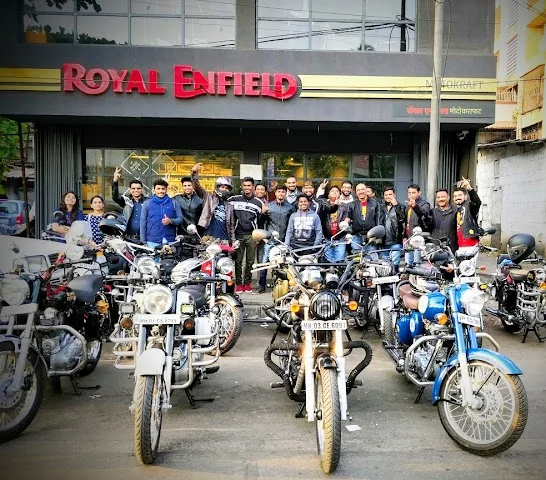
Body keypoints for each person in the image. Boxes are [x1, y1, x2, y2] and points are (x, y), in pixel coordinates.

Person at [257, 184, 296, 293]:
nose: (281, 194)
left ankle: (286, 286)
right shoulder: (269, 206)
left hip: (284, 240)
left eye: (283, 192)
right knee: (264, 263)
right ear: (275, 193)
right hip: (270, 240)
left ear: (285, 193)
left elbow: (292, 225)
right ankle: (261, 285)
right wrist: (263, 213)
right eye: (279, 192)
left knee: (286, 264)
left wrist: (290, 239)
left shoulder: (290, 208)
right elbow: (261, 222)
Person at [230, 177, 264, 293]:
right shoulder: (233, 199)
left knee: (250, 261)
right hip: (238, 234)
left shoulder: (258, 202)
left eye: (249, 185)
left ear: (253, 187)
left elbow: (260, 221)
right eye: (244, 185)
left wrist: (259, 236)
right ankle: (239, 284)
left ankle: (247, 283)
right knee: (238, 261)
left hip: (252, 235)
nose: (247, 188)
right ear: (242, 186)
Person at [191, 163, 235, 245]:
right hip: (210, 238)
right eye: (222, 187)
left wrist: (233, 241)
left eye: (226, 188)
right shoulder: (209, 197)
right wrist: (194, 173)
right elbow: (197, 187)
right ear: (217, 187)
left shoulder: (230, 206)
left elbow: (231, 226)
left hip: (224, 240)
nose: (224, 189)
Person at [140, 179, 182, 248]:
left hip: (170, 240)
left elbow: (180, 219)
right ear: (154, 190)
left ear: (166, 190)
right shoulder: (147, 203)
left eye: (163, 189)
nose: (161, 191)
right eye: (158, 189)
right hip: (152, 241)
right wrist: (143, 241)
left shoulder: (174, 203)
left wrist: (170, 221)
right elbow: (143, 222)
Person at [112, 167, 149, 240]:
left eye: (138, 188)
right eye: (133, 188)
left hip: (145, 238)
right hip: (128, 238)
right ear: (130, 189)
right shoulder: (126, 201)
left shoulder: (148, 201)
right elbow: (115, 197)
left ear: (142, 189)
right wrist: (115, 180)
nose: (136, 190)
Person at [344, 183, 384, 250]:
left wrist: (377, 235)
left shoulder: (375, 204)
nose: (360, 192)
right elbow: (347, 219)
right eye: (358, 190)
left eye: (362, 189)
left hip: (371, 237)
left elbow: (378, 221)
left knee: (371, 255)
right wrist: (345, 225)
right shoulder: (351, 205)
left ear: (366, 190)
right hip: (356, 237)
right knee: (357, 255)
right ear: (356, 192)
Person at [318, 185, 348, 262]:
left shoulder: (345, 207)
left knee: (339, 262)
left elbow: (347, 220)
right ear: (328, 195)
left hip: (340, 238)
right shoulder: (324, 206)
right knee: (328, 262)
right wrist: (321, 189)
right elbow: (318, 199)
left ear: (340, 194)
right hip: (326, 238)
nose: (334, 193)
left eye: (337, 191)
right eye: (332, 191)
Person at [453, 177, 482, 248]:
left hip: (470, 244)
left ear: (465, 197)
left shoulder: (468, 206)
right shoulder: (456, 210)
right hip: (460, 244)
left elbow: (477, 202)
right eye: (455, 196)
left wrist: (469, 189)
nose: (457, 197)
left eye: (460, 195)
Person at [382, 187, 406, 268]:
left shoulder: (401, 206)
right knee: (384, 267)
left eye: (390, 194)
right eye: (386, 195)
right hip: (383, 242)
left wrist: (396, 206)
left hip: (395, 241)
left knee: (394, 265)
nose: (388, 196)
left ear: (394, 195)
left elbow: (402, 219)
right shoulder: (381, 207)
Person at [429, 188, 458, 253]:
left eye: (443, 197)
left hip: (451, 248)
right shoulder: (432, 212)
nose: (441, 199)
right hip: (435, 249)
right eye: (438, 197)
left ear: (448, 197)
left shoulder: (456, 211)